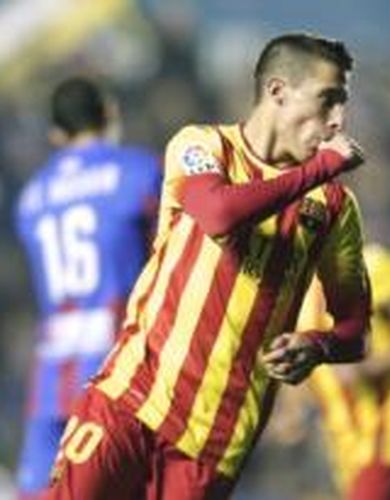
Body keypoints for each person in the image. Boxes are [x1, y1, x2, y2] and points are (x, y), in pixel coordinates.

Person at [45, 32, 371, 500]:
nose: (338, 122)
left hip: (214, 442)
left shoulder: (335, 207)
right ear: (278, 91)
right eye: (328, 101)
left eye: (342, 105)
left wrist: (318, 345)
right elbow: (218, 215)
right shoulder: (202, 145)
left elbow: (356, 329)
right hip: (131, 399)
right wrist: (320, 168)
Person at [13, 77, 162, 499]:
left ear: (56, 134)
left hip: (51, 368)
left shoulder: (30, 198)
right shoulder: (140, 171)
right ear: (110, 112)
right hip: (118, 362)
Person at [292, 243, 390, 500]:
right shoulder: (294, 293)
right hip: (347, 453)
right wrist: (292, 411)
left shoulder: (372, 266)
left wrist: (370, 366)